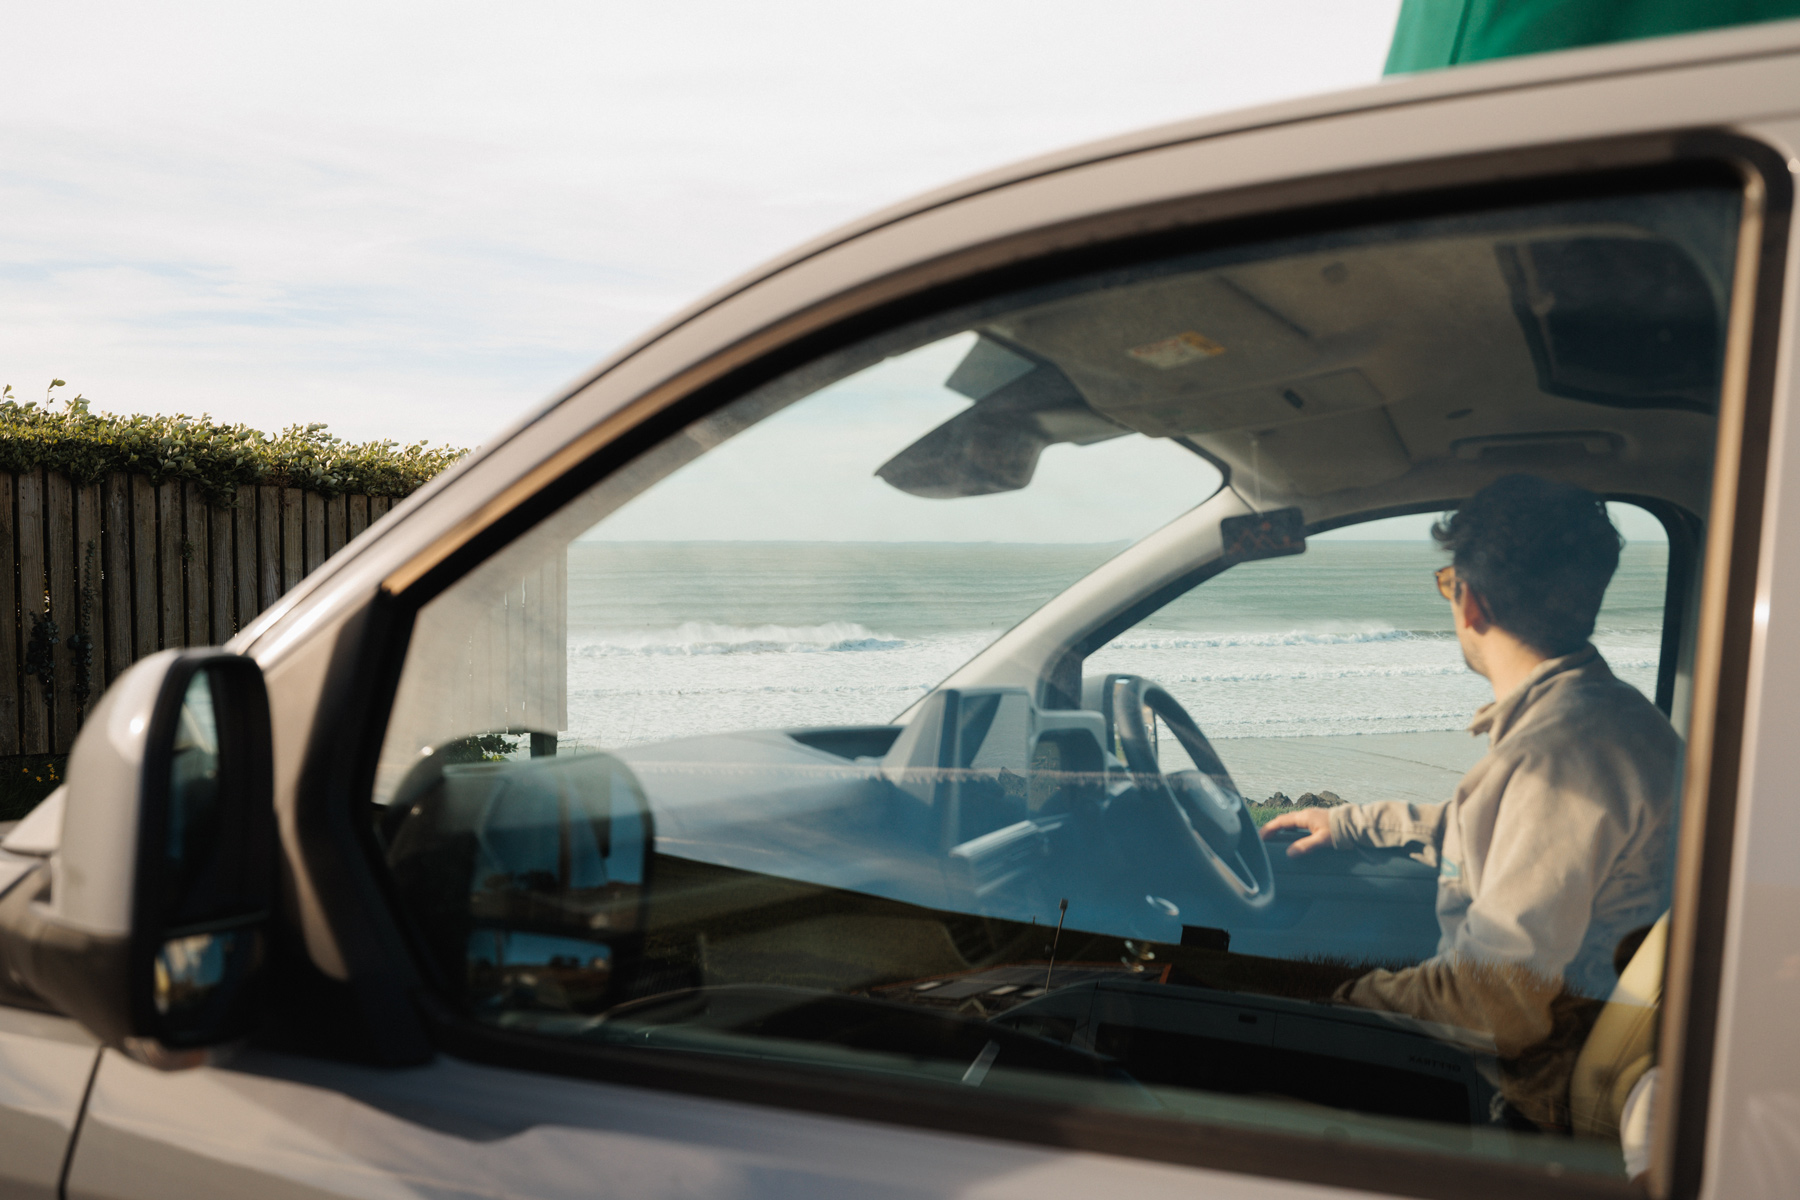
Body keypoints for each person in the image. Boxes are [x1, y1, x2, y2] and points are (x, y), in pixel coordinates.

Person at [1258, 474, 1680, 1126]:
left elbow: (1494, 1001)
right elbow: (1501, 833)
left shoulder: (1556, 761)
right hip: (1550, 1050)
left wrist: (1343, 995)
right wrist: (1353, 822)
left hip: (1522, 1099)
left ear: (1469, 601)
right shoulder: (1610, 722)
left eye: (1447, 584)